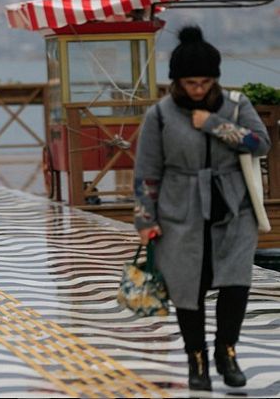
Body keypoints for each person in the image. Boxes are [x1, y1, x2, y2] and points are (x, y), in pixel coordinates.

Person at [133, 26, 270, 391]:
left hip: (234, 210)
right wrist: (145, 220)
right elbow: (147, 172)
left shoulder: (237, 106)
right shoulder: (159, 116)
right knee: (186, 287)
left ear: (216, 79)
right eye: (191, 82)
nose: (198, 89)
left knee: (236, 282)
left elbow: (260, 144)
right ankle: (197, 359)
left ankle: (227, 351)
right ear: (176, 81)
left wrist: (214, 124)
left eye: (205, 82)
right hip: (180, 213)